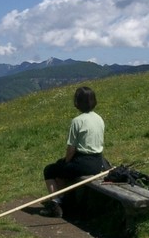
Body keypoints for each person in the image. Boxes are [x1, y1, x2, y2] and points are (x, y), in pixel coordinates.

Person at [40, 86, 108, 217]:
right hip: (98, 161)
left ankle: (55, 204)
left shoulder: (77, 121)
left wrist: (66, 162)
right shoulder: (99, 118)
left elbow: (71, 149)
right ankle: (63, 199)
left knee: (50, 170)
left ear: (77, 102)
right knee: (60, 166)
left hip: (82, 163)